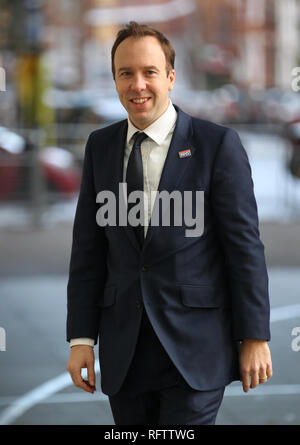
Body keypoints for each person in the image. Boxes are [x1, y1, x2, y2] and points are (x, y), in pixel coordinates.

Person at [66, 21, 272, 425]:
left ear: (171, 78)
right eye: (126, 73)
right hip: (125, 352)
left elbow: (244, 248)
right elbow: (88, 251)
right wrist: (81, 339)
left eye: (149, 72)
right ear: (114, 80)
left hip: (196, 349)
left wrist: (255, 336)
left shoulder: (217, 145)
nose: (137, 84)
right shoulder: (101, 147)